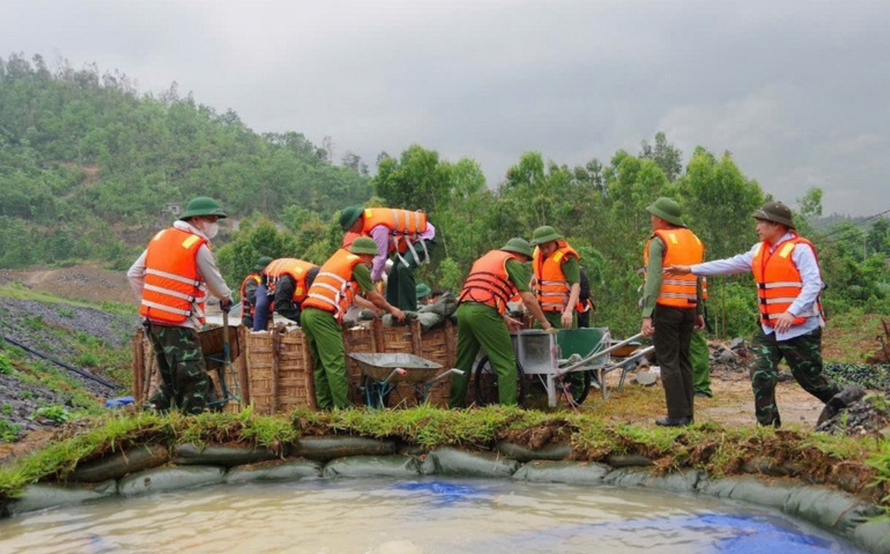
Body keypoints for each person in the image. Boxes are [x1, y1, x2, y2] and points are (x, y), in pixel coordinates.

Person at [665, 201, 840, 427]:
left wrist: (791, 311)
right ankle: (768, 428)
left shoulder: (800, 249)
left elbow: (813, 283)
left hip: (801, 330)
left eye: (761, 223)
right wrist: (689, 269)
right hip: (769, 330)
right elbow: (730, 264)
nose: (757, 228)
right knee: (761, 374)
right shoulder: (759, 250)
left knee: (812, 382)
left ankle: (853, 405)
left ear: (777, 225)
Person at [127, 196, 233, 414]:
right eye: (211, 219)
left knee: (169, 378)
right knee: (193, 379)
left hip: (153, 321)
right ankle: (192, 427)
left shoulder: (160, 238)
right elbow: (217, 286)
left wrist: (153, 302)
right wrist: (226, 297)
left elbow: (134, 274)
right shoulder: (196, 246)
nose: (215, 225)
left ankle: (152, 420)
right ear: (196, 219)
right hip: (179, 324)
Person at [301, 237, 406, 410]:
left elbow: (352, 296)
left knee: (321, 364)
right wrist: (391, 309)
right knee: (335, 363)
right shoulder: (358, 266)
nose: (372, 261)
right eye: (372, 257)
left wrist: (372, 307)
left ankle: (325, 407)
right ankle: (343, 409)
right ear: (364, 254)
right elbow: (373, 294)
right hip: (323, 316)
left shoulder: (339, 261)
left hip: (308, 313)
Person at [449, 238, 554, 408]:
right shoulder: (511, 262)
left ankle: (455, 407)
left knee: (463, 362)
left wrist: (504, 317)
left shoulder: (485, 259)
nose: (524, 263)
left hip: (464, 309)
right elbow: (527, 298)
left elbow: (483, 291)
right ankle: (508, 410)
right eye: (525, 259)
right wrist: (544, 323)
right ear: (519, 254)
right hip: (484, 313)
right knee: (506, 363)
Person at [641, 197, 704, 427]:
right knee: (684, 360)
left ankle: (677, 415)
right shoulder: (694, 240)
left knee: (668, 362)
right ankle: (688, 414)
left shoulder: (660, 240)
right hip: (688, 308)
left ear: (661, 219)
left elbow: (654, 278)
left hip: (666, 308)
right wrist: (699, 311)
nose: (651, 219)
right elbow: (698, 276)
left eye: (653, 216)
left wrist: (647, 313)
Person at [338, 206, 436, 312]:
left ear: (357, 220)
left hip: (424, 236)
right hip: (409, 241)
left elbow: (380, 257)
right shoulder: (367, 228)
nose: (351, 231)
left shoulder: (378, 227)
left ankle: (409, 311)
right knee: (393, 274)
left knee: (404, 268)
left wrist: (371, 280)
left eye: (350, 227)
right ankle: (393, 310)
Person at [530, 226, 582, 330]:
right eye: (541, 247)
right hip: (543, 313)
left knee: (564, 343)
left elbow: (575, 285)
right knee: (535, 340)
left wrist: (569, 311)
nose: (545, 250)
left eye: (548, 247)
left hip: (562, 313)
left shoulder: (566, 258)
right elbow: (537, 275)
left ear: (555, 242)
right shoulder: (539, 256)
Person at [262, 258, 320, 325]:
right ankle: (259, 329)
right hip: (269, 279)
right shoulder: (287, 283)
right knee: (262, 304)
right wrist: (302, 319)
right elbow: (281, 306)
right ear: (307, 281)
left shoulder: (321, 276)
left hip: (294, 280)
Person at [690, 277, 713, 398]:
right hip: (666, 304)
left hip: (689, 304)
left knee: (697, 347)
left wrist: (698, 311)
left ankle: (701, 387)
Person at [240, 256, 272, 329]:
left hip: (265, 319)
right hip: (251, 320)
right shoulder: (252, 281)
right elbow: (253, 298)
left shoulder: (270, 282)